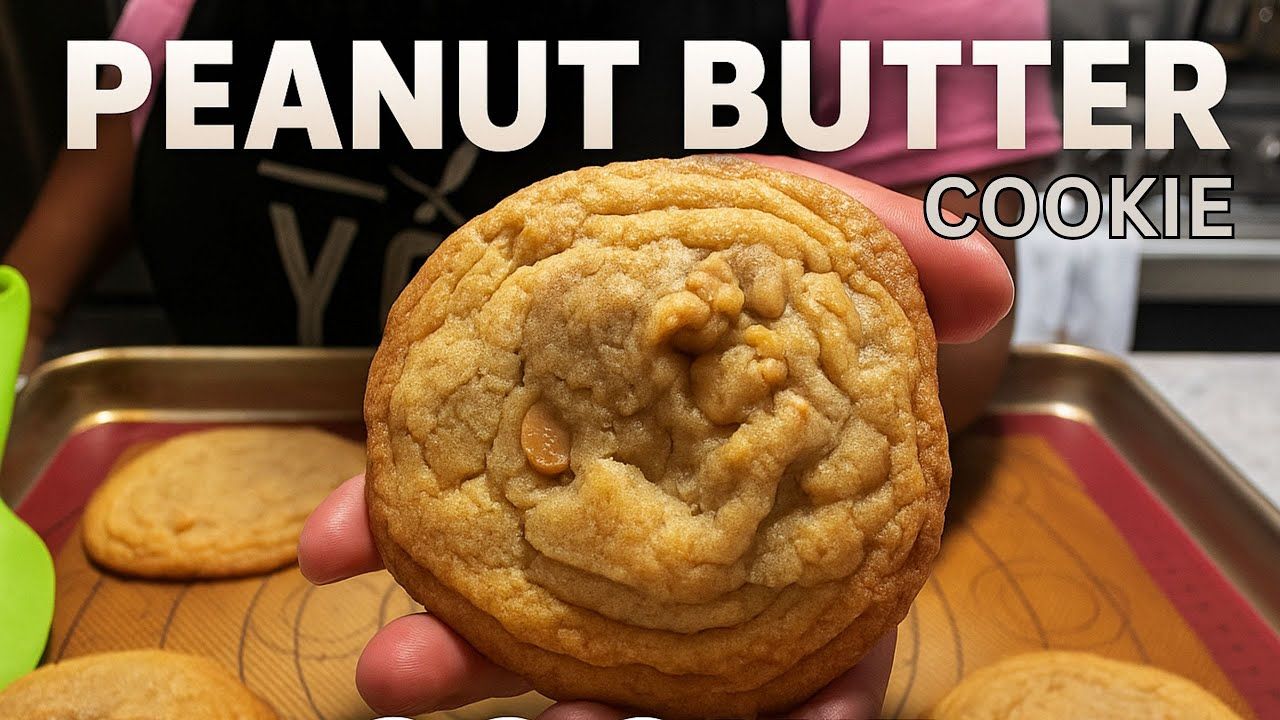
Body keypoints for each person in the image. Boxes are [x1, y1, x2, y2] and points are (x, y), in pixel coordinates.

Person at [7, 1, 1057, 717]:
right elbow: (114, 137)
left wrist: (806, 241)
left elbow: (945, 351)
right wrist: (29, 306)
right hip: (250, 405)